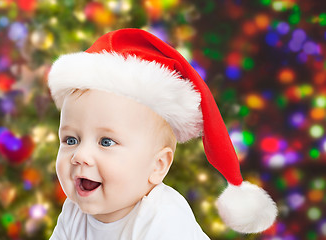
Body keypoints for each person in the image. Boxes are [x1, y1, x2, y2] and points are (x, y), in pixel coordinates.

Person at [47, 28, 277, 240]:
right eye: (71, 140)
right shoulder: (73, 212)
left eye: (106, 142)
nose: (80, 155)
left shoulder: (162, 218)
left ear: (157, 166)